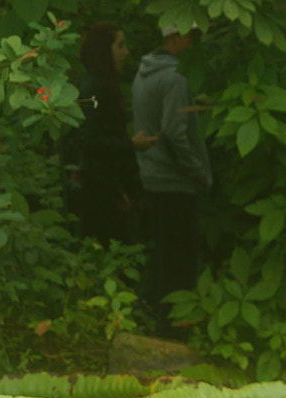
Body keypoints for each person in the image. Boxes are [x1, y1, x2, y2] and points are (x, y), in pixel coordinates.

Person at [133, 21, 211, 338]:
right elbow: (176, 135)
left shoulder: (144, 73)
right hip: (175, 182)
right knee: (181, 262)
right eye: (192, 37)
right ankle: (175, 332)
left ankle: (154, 323)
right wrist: (199, 173)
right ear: (174, 38)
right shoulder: (176, 77)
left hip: (152, 176)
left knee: (165, 255)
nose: (195, 44)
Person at [73, 22, 154, 245]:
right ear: (104, 50)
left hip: (108, 186)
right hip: (99, 191)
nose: (126, 52)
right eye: (120, 46)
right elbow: (89, 141)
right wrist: (131, 145)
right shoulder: (94, 88)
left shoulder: (101, 85)